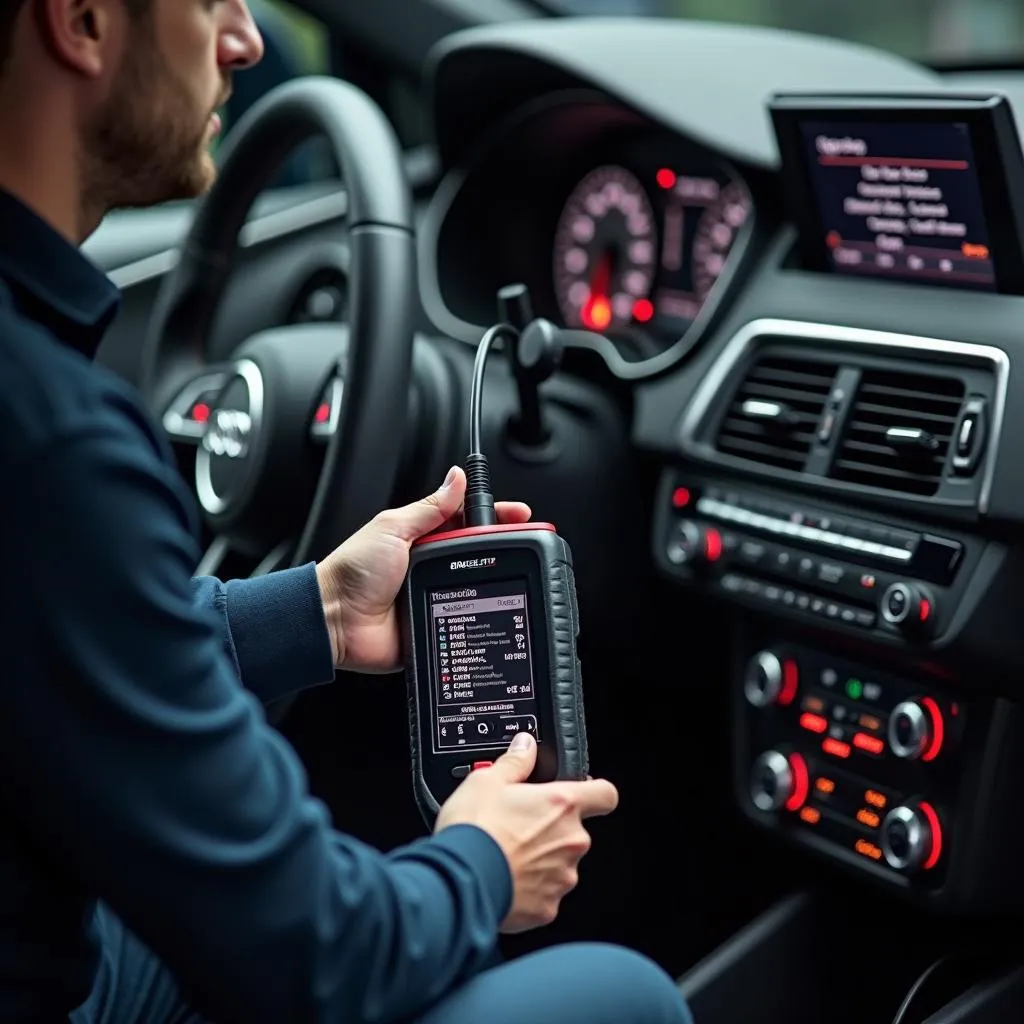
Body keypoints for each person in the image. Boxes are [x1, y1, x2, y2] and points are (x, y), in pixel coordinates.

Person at [0, 1, 696, 1022]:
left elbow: (59, 639)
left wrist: (318, 610)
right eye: (209, 5)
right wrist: (487, 863)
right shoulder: (57, 442)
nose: (244, 42)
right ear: (86, 21)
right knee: (625, 994)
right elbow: (320, 957)